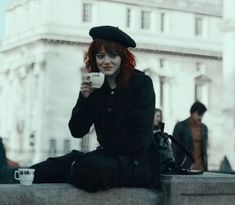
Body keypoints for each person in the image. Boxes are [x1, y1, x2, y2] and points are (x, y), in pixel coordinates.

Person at [28, 25, 160, 192]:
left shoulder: (141, 84)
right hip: (104, 158)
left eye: (112, 55)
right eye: (100, 56)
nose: (106, 61)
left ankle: (76, 168)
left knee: (89, 170)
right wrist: (84, 98)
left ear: (123, 58)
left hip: (136, 163)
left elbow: (137, 138)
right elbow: (77, 130)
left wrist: (95, 156)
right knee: (41, 170)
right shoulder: (96, 86)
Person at [172, 101, 208, 171]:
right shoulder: (180, 126)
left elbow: (204, 151)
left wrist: (206, 167)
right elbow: (174, 149)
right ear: (192, 113)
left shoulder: (204, 128)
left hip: (201, 169)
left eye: (202, 114)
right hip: (185, 168)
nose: (200, 117)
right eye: (199, 114)